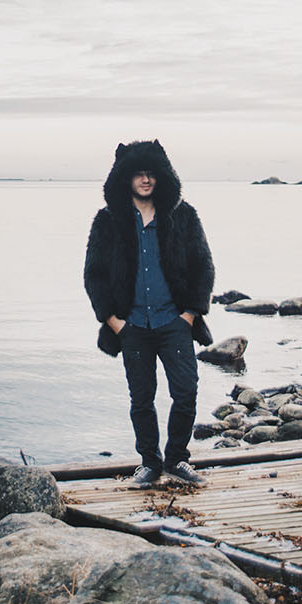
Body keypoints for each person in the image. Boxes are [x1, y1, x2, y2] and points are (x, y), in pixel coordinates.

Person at [82, 139, 215, 488]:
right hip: (133, 326)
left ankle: (177, 459)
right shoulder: (108, 221)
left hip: (175, 323)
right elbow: (93, 275)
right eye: (137, 174)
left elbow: (203, 267)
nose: (144, 180)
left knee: (185, 392)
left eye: (150, 173)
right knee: (141, 399)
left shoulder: (183, 216)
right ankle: (149, 463)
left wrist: (188, 315)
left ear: (161, 177)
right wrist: (114, 322)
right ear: (124, 178)